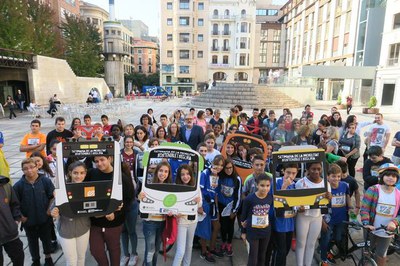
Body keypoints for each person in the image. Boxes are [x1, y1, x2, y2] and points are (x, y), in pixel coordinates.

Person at [85, 154, 134, 266]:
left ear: (110, 159)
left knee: (114, 249)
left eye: (102, 160)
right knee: (96, 250)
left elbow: (128, 199)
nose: (99, 163)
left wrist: (116, 213)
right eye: (96, 161)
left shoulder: (121, 177)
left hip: (114, 223)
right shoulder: (92, 173)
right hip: (95, 222)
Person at [13, 158, 55, 266]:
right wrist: (21, 216)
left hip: (44, 218)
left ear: (37, 167)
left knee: (46, 239)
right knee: (32, 242)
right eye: (25, 169)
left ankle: (48, 258)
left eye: (32, 167)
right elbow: (14, 204)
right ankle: (35, 260)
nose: (29, 170)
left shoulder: (45, 181)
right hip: (29, 220)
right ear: (22, 170)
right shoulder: (18, 186)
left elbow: (52, 197)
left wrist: (49, 210)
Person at [50, 162, 91, 266]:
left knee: (81, 258)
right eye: (75, 173)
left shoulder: (90, 188)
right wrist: (54, 212)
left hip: (83, 229)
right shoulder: (62, 189)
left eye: (82, 173)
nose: (79, 176)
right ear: (70, 173)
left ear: (85, 173)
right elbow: (54, 207)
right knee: (72, 261)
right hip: (66, 230)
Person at [360, 163, 400, 266]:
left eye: (394, 176)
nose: (391, 178)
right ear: (381, 176)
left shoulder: (398, 194)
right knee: (367, 251)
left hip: (387, 231)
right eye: (388, 175)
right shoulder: (373, 190)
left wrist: (394, 222)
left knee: (381, 254)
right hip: (371, 229)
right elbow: (365, 208)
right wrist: (366, 223)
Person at [295, 162, 331, 266]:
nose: (316, 171)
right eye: (313, 169)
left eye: (319, 169)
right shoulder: (300, 183)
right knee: (301, 243)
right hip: (303, 217)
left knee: (311, 244)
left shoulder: (326, 184)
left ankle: (308, 264)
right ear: (308, 169)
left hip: (317, 217)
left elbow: (325, 204)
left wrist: (329, 198)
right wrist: (298, 208)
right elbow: (295, 202)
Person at [138, 162, 172, 266]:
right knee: (150, 250)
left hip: (162, 222)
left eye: (166, 171)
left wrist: (172, 212)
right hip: (150, 223)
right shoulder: (148, 185)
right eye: (161, 170)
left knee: (157, 249)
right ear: (157, 171)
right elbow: (141, 203)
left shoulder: (170, 188)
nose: (163, 174)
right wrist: (140, 198)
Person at [320, 164, 351, 266]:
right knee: (326, 238)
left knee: (338, 238)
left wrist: (350, 208)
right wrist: (322, 220)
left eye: (338, 176)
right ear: (328, 176)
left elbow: (347, 197)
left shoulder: (344, 185)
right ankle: (323, 258)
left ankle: (325, 250)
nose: (336, 179)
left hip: (341, 218)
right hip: (329, 219)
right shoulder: (324, 188)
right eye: (333, 176)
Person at [172, 164, 202, 266]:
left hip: (193, 221)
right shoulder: (176, 188)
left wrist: (198, 201)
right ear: (179, 176)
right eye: (183, 174)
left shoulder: (196, 186)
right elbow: (172, 206)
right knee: (180, 251)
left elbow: (200, 204)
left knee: (189, 247)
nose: (185, 177)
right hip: (181, 222)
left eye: (188, 174)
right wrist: (176, 213)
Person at [196, 156, 225, 262]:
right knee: (204, 227)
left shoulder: (217, 176)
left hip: (213, 204)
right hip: (204, 203)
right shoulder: (205, 173)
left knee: (216, 226)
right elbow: (199, 189)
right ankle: (204, 251)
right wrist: (200, 205)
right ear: (212, 163)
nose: (219, 167)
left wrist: (217, 209)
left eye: (222, 165)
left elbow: (216, 193)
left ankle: (212, 248)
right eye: (217, 164)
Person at [240, 173, 273, 266]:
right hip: (252, 232)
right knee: (253, 257)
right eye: (262, 185)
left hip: (266, 231)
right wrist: (243, 232)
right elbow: (243, 216)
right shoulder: (249, 199)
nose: (265, 188)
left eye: (267, 186)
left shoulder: (270, 198)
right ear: (257, 185)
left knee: (262, 256)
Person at [271, 163, 298, 266]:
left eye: (293, 173)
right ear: (283, 171)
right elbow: (276, 201)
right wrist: (284, 186)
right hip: (278, 222)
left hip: (290, 222)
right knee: (280, 251)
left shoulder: (296, 185)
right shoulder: (276, 182)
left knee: (286, 250)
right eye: (288, 172)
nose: (290, 176)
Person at [120, 137, 139, 266]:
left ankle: (134, 254)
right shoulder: (116, 177)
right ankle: (125, 254)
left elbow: (133, 195)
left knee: (131, 230)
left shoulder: (131, 179)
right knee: (123, 231)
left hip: (130, 206)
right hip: (120, 207)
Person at [217, 159, 241, 256]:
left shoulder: (237, 179)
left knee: (230, 226)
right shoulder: (220, 177)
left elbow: (238, 196)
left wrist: (234, 210)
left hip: (231, 206)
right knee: (223, 225)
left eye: (230, 167)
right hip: (221, 205)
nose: (228, 170)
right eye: (226, 168)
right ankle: (223, 242)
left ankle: (229, 244)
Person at [0, 174, 24, 266]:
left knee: (19, 258)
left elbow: (15, 204)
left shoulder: (5, 185)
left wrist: (16, 220)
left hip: (10, 232)